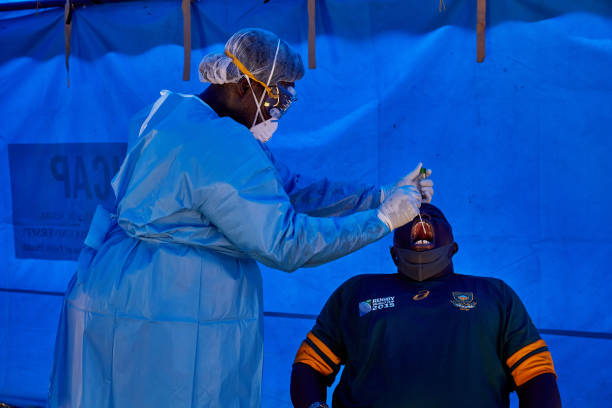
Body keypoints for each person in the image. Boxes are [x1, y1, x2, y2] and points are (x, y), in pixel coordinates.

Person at [47, 28, 434, 407]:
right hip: (170, 307)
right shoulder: (222, 143)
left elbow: (289, 188)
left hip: (109, 287)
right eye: (276, 96)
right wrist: (381, 220)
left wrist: (378, 196)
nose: (278, 110)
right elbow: (285, 242)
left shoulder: (172, 112)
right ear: (242, 86)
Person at [291, 203, 562, 408]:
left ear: (454, 247)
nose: (421, 218)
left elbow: (535, 372)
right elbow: (310, 364)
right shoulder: (357, 292)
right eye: (409, 218)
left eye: (433, 216)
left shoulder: (495, 295)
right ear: (393, 253)